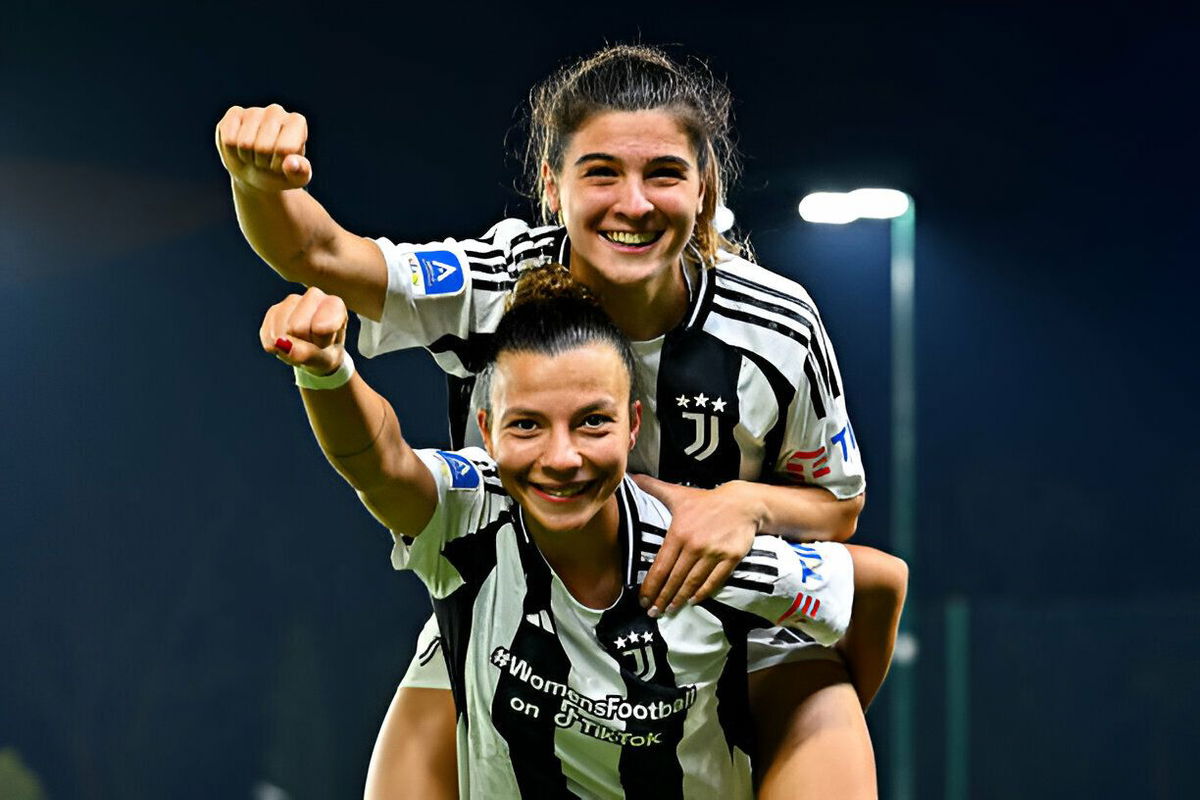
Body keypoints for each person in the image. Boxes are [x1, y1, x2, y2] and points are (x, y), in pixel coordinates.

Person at [219, 44, 902, 798]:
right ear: (552, 186)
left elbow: (841, 511)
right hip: (513, 606)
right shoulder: (496, 283)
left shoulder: (778, 326)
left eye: (664, 174)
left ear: (705, 189)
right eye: (602, 171)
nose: (634, 203)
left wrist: (745, 504)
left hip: (726, 616)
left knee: (821, 713)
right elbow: (319, 252)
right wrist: (255, 182)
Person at [258, 269, 905, 799]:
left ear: (632, 427)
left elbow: (880, 582)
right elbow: (379, 459)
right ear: (486, 430)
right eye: (527, 426)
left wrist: (839, 700)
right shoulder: (467, 513)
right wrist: (325, 370)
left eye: (591, 423)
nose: (561, 456)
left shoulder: (697, 553)